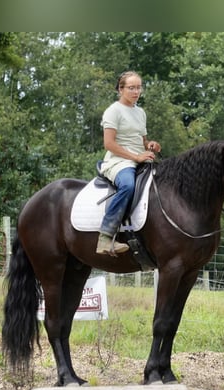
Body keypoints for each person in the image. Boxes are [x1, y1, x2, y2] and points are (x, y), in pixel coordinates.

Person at [96, 71, 161, 255]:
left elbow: (142, 140)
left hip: (140, 159)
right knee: (128, 185)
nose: (136, 92)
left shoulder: (140, 112)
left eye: (139, 87)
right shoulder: (113, 111)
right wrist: (136, 157)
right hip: (119, 161)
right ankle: (105, 236)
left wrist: (150, 145)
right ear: (120, 89)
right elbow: (109, 144)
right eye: (131, 88)